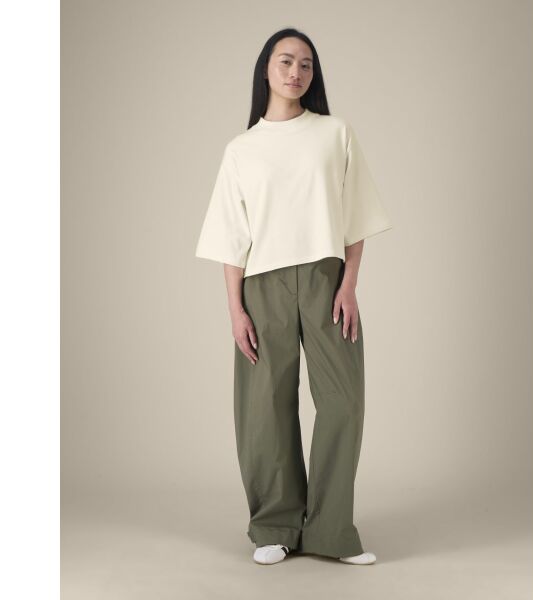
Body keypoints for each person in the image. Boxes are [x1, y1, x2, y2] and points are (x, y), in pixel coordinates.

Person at [195, 28, 392, 566]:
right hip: (262, 285)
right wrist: (235, 310)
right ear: (266, 69)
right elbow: (232, 237)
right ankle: (275, 526)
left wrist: (349, 284)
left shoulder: (334, 133)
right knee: (265, 407)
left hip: (328, 278)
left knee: (344, 402)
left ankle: (331, 530)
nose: (296, 72)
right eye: (285, 61)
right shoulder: (242, 150)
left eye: (306, 64)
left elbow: (355, 216)